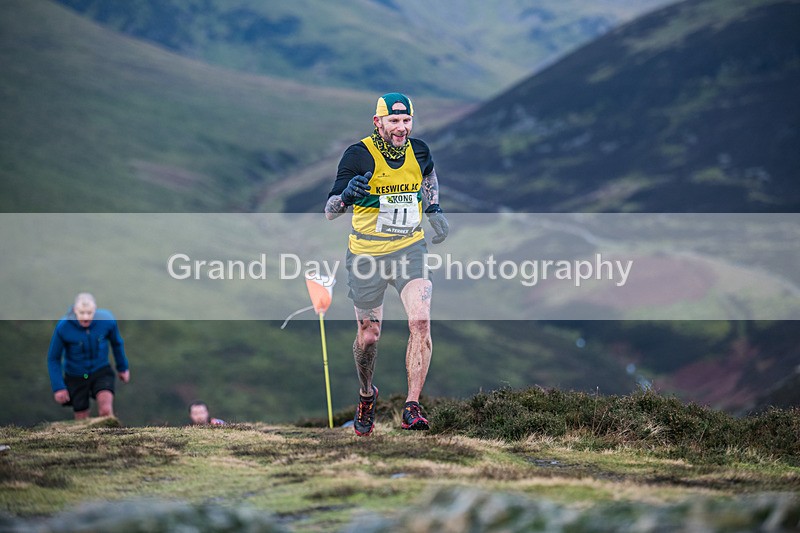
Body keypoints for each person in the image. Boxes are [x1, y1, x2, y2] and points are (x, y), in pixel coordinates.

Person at [325, 92, 449, 436]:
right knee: (368, 336)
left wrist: (434, 209)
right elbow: (330, 211)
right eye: (394, 121)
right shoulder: (358, 154)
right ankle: (367, 395)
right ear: (377, 122)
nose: (401, 127)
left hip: (410, 249)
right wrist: (347, 194)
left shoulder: (420, 150)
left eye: (406, 120)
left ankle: (412, 406)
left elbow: (429, 177)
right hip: (366, 255)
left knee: (420, 322)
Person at [47, 293, 130, 419]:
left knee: (106, 411)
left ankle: (111, 437)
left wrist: (122, 368)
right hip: (76, 375)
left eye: (89, 313)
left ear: (95, 310)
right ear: (75, 310)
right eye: (81, 313)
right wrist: (58, 387)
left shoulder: (107, 320)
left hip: (100, 370)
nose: (85, 317)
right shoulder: (63, 327)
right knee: (82, 418)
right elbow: (53, 358)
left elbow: (117, 343)